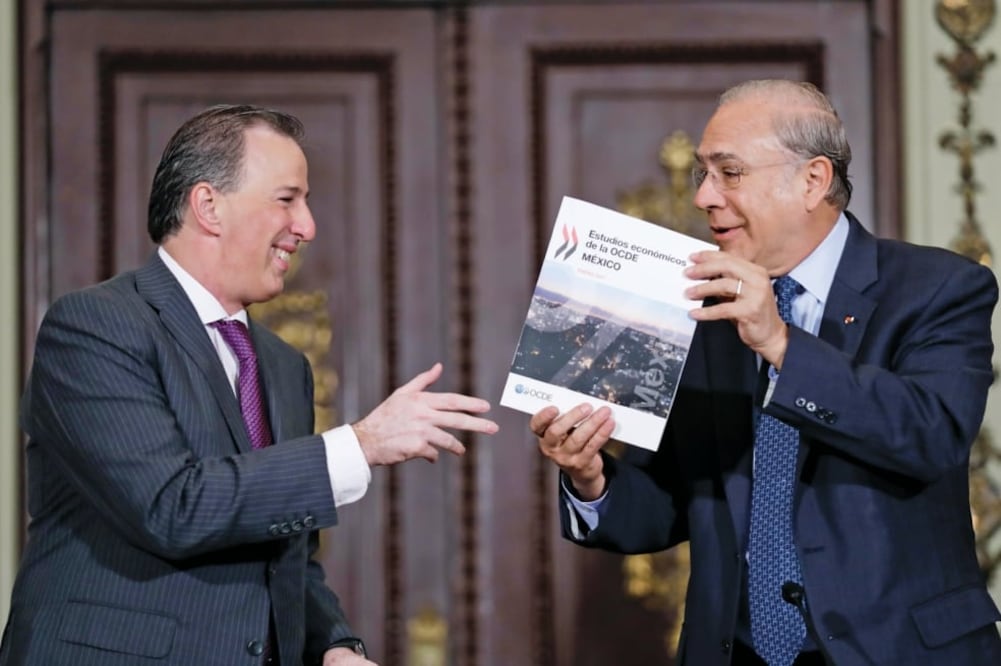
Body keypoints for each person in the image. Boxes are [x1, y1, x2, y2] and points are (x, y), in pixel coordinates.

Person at [0, 105, 499, 666]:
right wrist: (359, 444)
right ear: (209, 206)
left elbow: (285, 555)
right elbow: (171, 506)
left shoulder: (284, 365)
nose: (307, 227)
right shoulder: (96, 326)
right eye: (287, 200)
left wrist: (333, 644)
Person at [531, 79, 1001, 665]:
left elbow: (931, 436)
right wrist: (591, 477)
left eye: (729, 173)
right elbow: (670, 503)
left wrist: (779, 343)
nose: (704, 196)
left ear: (813, 180)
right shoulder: (699, 307)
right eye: (703, 173)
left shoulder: (938, 288)